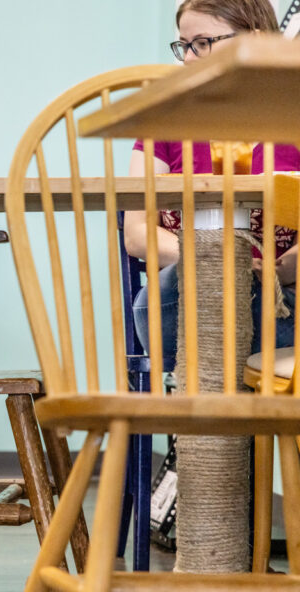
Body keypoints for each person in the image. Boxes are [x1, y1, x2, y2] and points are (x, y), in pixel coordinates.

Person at [124, 0, 296, 360]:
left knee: (258, 298)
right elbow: (137, 234)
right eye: (184, 45)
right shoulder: (164, 121)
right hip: (184, 294)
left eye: (202, 43)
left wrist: (280, 270)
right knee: (172, 294)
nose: (187, 59)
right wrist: (209, 258)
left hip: (282, 297)